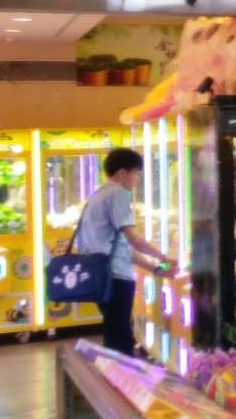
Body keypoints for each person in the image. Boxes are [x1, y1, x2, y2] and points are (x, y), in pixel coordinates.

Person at [74, 148, 176, 355]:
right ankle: (119, 374)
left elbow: (120, 248)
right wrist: (163, 257)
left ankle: (114, 370)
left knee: (116, 332)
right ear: (122, 172)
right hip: (116, 279)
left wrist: (155, 268)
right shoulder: (118, 194)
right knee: (120, 339)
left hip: (100, 277)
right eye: (135, 173)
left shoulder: (97, 196)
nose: (136, 179)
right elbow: (133, 239)